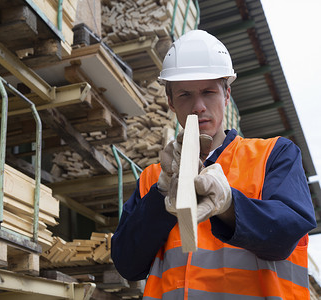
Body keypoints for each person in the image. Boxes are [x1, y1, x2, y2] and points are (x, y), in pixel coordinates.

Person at [111, 29, 317, 299]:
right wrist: (160, 196)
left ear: (226, 95)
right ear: (171, 102)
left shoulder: (273, 155)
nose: (198, 106)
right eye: (185, 95)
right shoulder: (153, 178)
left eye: (208, 92)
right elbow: (128, 263)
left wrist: (230, 205)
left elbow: (285, 236)